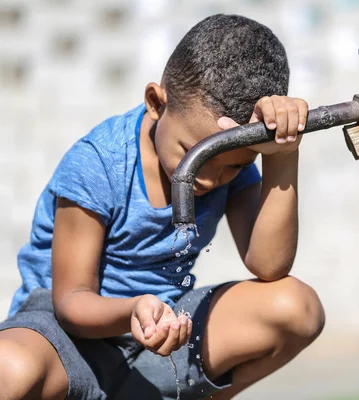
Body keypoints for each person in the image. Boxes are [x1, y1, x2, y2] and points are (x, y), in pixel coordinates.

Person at [0, 14, 325, 400]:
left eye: (234, 167)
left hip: (165, 334)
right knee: (10, 368)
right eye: (192, 155)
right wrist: (133, 309)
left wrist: (282, 157)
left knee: (296, 308)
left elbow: (269, 265)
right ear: (156, 103)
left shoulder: (230, 163)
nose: (208, 179)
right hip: (67, 339)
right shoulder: (100, 162)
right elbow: (71, 301)